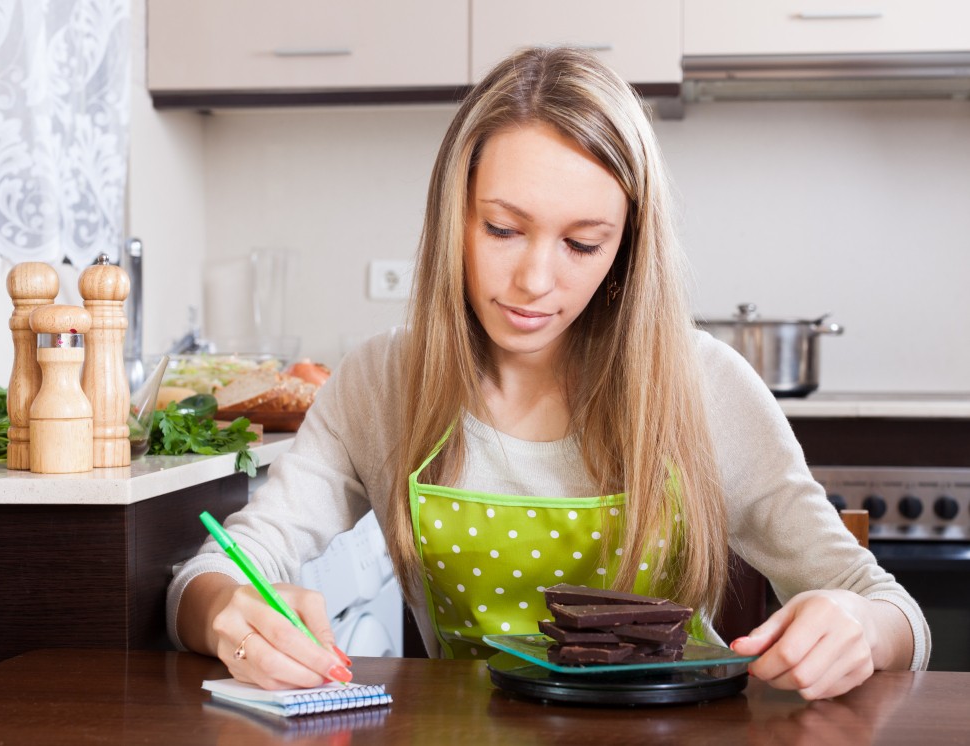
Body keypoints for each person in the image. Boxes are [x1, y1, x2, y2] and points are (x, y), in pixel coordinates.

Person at [168, 46, 929, 700]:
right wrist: (224, 616)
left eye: (582, 244)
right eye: (502, 228)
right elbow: (214, 573)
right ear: (452, 217)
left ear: (626, 249)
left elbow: (889, 610)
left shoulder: (703, 387)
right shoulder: (382, 383)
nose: (535, 279)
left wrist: (861, 627)